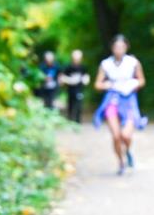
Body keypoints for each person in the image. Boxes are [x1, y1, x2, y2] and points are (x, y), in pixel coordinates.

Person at [93, 35, 147, 175]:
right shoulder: (106, 64)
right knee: (116, 135)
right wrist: (108, 85)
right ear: (112, 48)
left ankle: (127, 150)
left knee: (126, 135)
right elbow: (97, 84)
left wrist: (132, 84)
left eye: (122, 47)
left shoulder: (133, 62)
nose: (119, 50)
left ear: (126, 47)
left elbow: (141, 81)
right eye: (116, 47)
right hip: (112, 100)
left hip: (128, 100)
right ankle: (121, 162)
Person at [59, 49, 90, 124]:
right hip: (70, 90)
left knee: (79, 105)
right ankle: (70, 120)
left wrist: (85, 80)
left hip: (79, 90)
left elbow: (86, 78)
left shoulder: (83, 67)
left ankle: (77, 121)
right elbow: (61, 78)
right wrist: (70, 80)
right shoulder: (68, 67)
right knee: (70, 104)